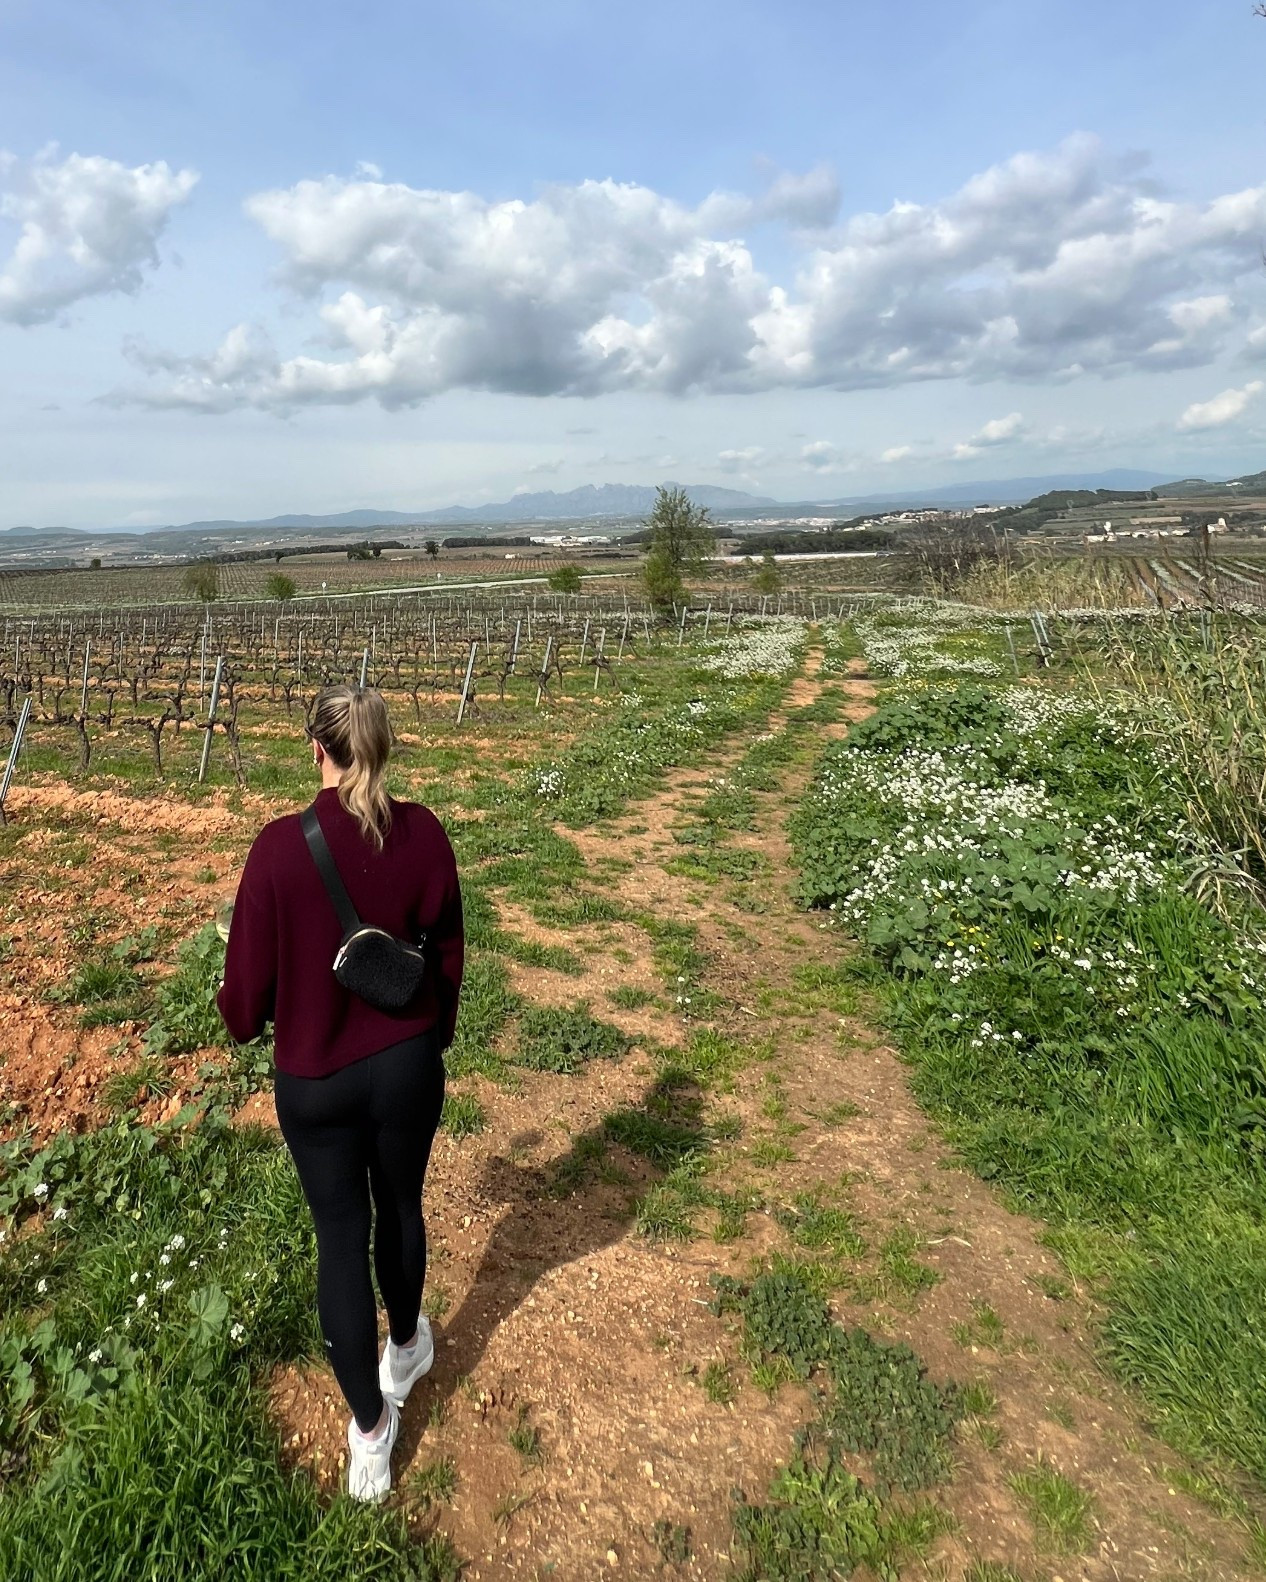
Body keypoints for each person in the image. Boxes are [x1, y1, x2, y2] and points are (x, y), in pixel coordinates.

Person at [217, 684, 463, 1502]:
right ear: (383, 749)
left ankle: (370, 1432)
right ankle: (406, 1350)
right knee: (402, 1208)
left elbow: (244, 1010)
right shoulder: (424, 833)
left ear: (315, 751)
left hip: (315, 1083)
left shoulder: (279, 851)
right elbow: (449, 954)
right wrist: (435, 1036)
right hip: (406, 1065)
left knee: (339, 1237)